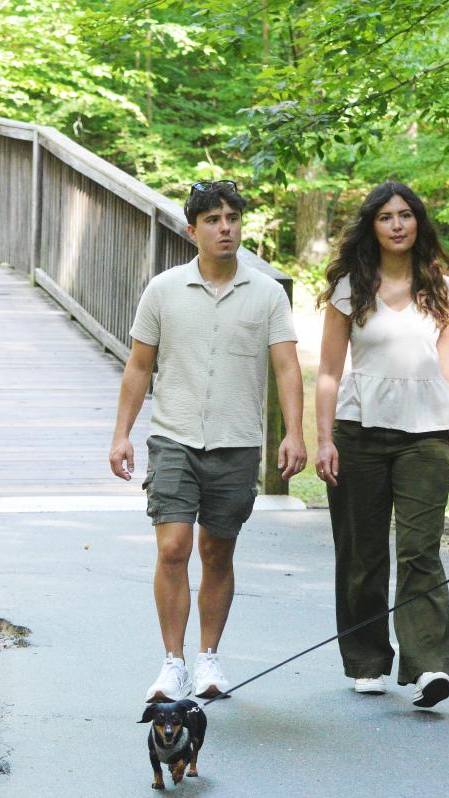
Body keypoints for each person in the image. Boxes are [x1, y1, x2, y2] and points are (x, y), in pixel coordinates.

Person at [109, 180, 308, 703]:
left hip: (237, 443)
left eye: (233, 218)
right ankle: (172, 663)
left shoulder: (267, 293)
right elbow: (138, 365)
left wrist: (295, 432)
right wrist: (121, 435)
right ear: (192, 229)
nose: (226, 228)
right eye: (214, 220)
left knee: (217, 551)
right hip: (173, 437)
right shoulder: (164, 289)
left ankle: (208, 658)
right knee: (173, 547)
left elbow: (287, 368)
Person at [314, 180, 449, 706]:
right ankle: (366, 659)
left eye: (406, 215)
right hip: (358, 433)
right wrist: (323, 439)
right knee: (361, 552)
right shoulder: (348, 289)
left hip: (425, 437)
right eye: (387, 217)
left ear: (418, 223)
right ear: (373, 227)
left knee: (419, 549)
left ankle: (428, 667)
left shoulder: (443, 291)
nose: (398, 224)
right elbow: (329, 373)